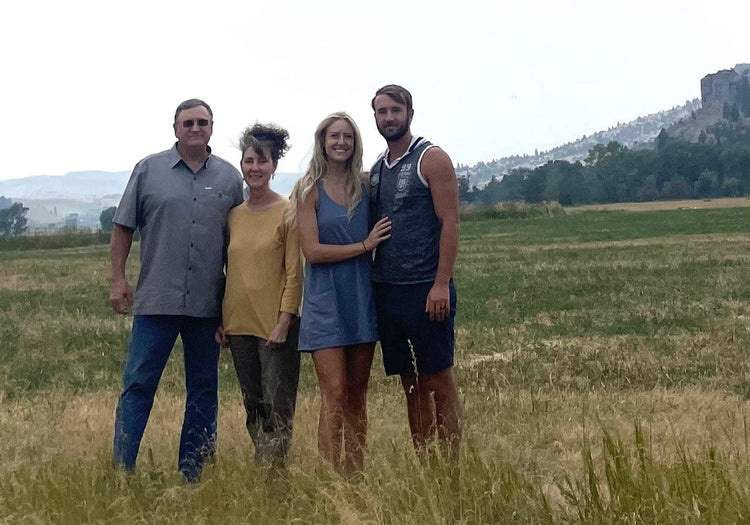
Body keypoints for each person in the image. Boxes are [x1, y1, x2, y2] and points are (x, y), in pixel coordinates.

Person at [110, 98, 244, 482]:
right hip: (156, 300)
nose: (195, 128)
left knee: (203, 390)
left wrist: (232, 309)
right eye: (188, 122)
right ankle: (122, 471)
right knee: (138, 385)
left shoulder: (230, 179)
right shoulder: (148, 170)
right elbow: (122, 227)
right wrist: (118, 280)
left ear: (213, 127)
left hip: (207, 304)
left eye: (202, 122)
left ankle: (193, 475)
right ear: (175, 128)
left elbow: (239, 242)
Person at [289, 112, 391, 476]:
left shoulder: (366, 186)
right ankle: (329, 478)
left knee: (357, 395)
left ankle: (355, 475)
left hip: (361, 299)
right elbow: (312, 252)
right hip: (325, 302)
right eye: (334, 136)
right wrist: (364, 245)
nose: (341, 142)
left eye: (348, 136)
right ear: (322, 140)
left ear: (356, 142)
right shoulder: (307, 190)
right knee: (334, 394)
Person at [369, 84, 464, 459]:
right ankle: (425, 462)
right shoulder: (377, 169)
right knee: (410, 385)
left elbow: (451, 223)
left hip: (426, 287)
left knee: (439, 378)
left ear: (410, 113)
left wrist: (441, 282)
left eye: (395, 110)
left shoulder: (432, 159)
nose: (389, 118)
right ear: (374, 117)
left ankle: (453, 465)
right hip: (388, 291)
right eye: (381, 112)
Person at [219, 123, 302, 467]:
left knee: (277, 405)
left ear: (273, 167)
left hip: (274, 327)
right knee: (252, 404)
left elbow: (295, 274)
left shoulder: (288, 212)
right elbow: (226, 270)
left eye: (262, 161)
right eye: (249, 160)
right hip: (238, 325)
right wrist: (221, 320)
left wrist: (285, 321)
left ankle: (275, 475)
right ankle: (263, 463)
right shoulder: (233, 216)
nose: (254, 168)